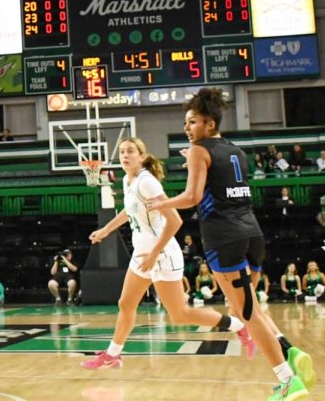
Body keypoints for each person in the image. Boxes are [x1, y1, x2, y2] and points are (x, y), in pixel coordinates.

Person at [147, 88, 316, 400]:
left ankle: (287, 380)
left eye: (193, 122)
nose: (187, 128)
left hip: (224, 237)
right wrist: (195, 161)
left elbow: (193, 197)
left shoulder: (199, 151)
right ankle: (289, 350)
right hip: (252, 234)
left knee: (246, 314)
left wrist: (161, 203)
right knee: (247, 307)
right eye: (186, 123)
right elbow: (222, 180)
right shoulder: (235, 150)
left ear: (210, 123)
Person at [80, 137, 255, 370]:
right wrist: (106, 230)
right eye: (122, 152)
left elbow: (175, 220)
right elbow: (129, 210)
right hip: (143, 254)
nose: (125, 155)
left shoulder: (147, 182)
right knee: (126, 304)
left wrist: (154, 254)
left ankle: (238, 326)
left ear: (141, 156)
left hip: (162, 255)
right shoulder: (128, 180)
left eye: (130, 151)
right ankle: (113, 355)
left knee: (180, 314)